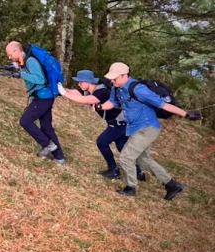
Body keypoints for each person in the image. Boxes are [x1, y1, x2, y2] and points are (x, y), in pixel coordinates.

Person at [96, 62, 202, 200]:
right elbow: (113, 103)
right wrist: (100, 106)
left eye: (115, 78)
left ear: (124, 75)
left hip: (147, 128)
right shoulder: (118, 88)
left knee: (126, 157)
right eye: (111, 78)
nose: (112, 80)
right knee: (142, 159)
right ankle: (172, 185)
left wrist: (186, 114)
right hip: (134, 128)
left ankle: (130, 188)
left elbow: (163, 104)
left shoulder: (138, 89)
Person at [58, 70, 144, 180]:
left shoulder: (101, 92)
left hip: (120, 122)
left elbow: (85, 100)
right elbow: (76, 92)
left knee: (102, 142)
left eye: (80, 82)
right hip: (118, 121)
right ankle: (138, 173)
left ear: (88, 82)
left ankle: (113, 170)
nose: (79, 84)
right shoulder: (89, 90)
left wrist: (64, 93)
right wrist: (62, 89)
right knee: (121, 146)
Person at [6, 41, 66, 165]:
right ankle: (59, 158)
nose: (9, 57)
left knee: (25, 121)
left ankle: (48, 144)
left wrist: (21, 74)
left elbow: (40, 79)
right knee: (46, 127)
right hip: (44, 96)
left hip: (43, 97)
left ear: (17, 51)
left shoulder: (30, 61)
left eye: (10, 55)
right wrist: (18, 69)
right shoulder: (25, 61)